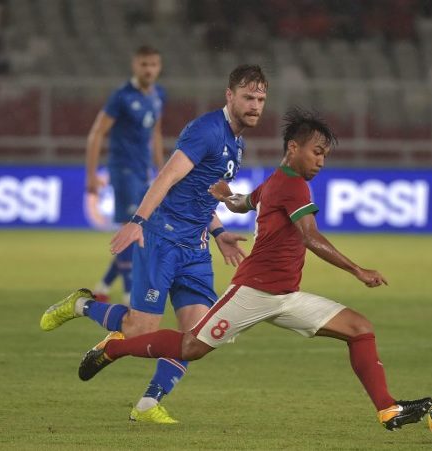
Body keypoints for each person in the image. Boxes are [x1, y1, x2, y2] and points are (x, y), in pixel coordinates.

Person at [78, 107, 432, 431]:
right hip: (253, 293)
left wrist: (225, 194)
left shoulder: (276, 182)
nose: (322, 161)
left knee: (359, 328)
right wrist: (358, 270)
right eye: (317, 151)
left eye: (325, 154)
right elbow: (310, 237)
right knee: (191, 347)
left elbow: (243, 203)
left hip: (285, 297)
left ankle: (388, 409)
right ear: (293, 148)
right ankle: (115, 349)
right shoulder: (294, 186)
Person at [41, 65, 268, 423]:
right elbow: (167, 176)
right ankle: (81, 304)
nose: (255, 105)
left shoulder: (236, 143)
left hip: (194, 249)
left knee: (198, 336)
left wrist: (219, 232)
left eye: (260, 99)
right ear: (229, 95)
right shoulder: (207, 130)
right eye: (248, 97)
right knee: (139, 330)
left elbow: (201, 192)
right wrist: (137, 222)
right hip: (162, 239)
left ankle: (148, 404)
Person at [85, 45, 166, 305]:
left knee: (142, 233)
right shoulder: (121, 96)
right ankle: (131, 296)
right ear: (135, 65)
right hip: (122, 172)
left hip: (143, 174)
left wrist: (162, 169)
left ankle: (103, 286)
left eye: (153, 64)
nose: (149, 69)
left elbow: (155, 132)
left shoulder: (157, 96)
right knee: (130, 231)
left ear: (159, 67)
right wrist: (91, 175)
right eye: (144, 64)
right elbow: (96, 133)